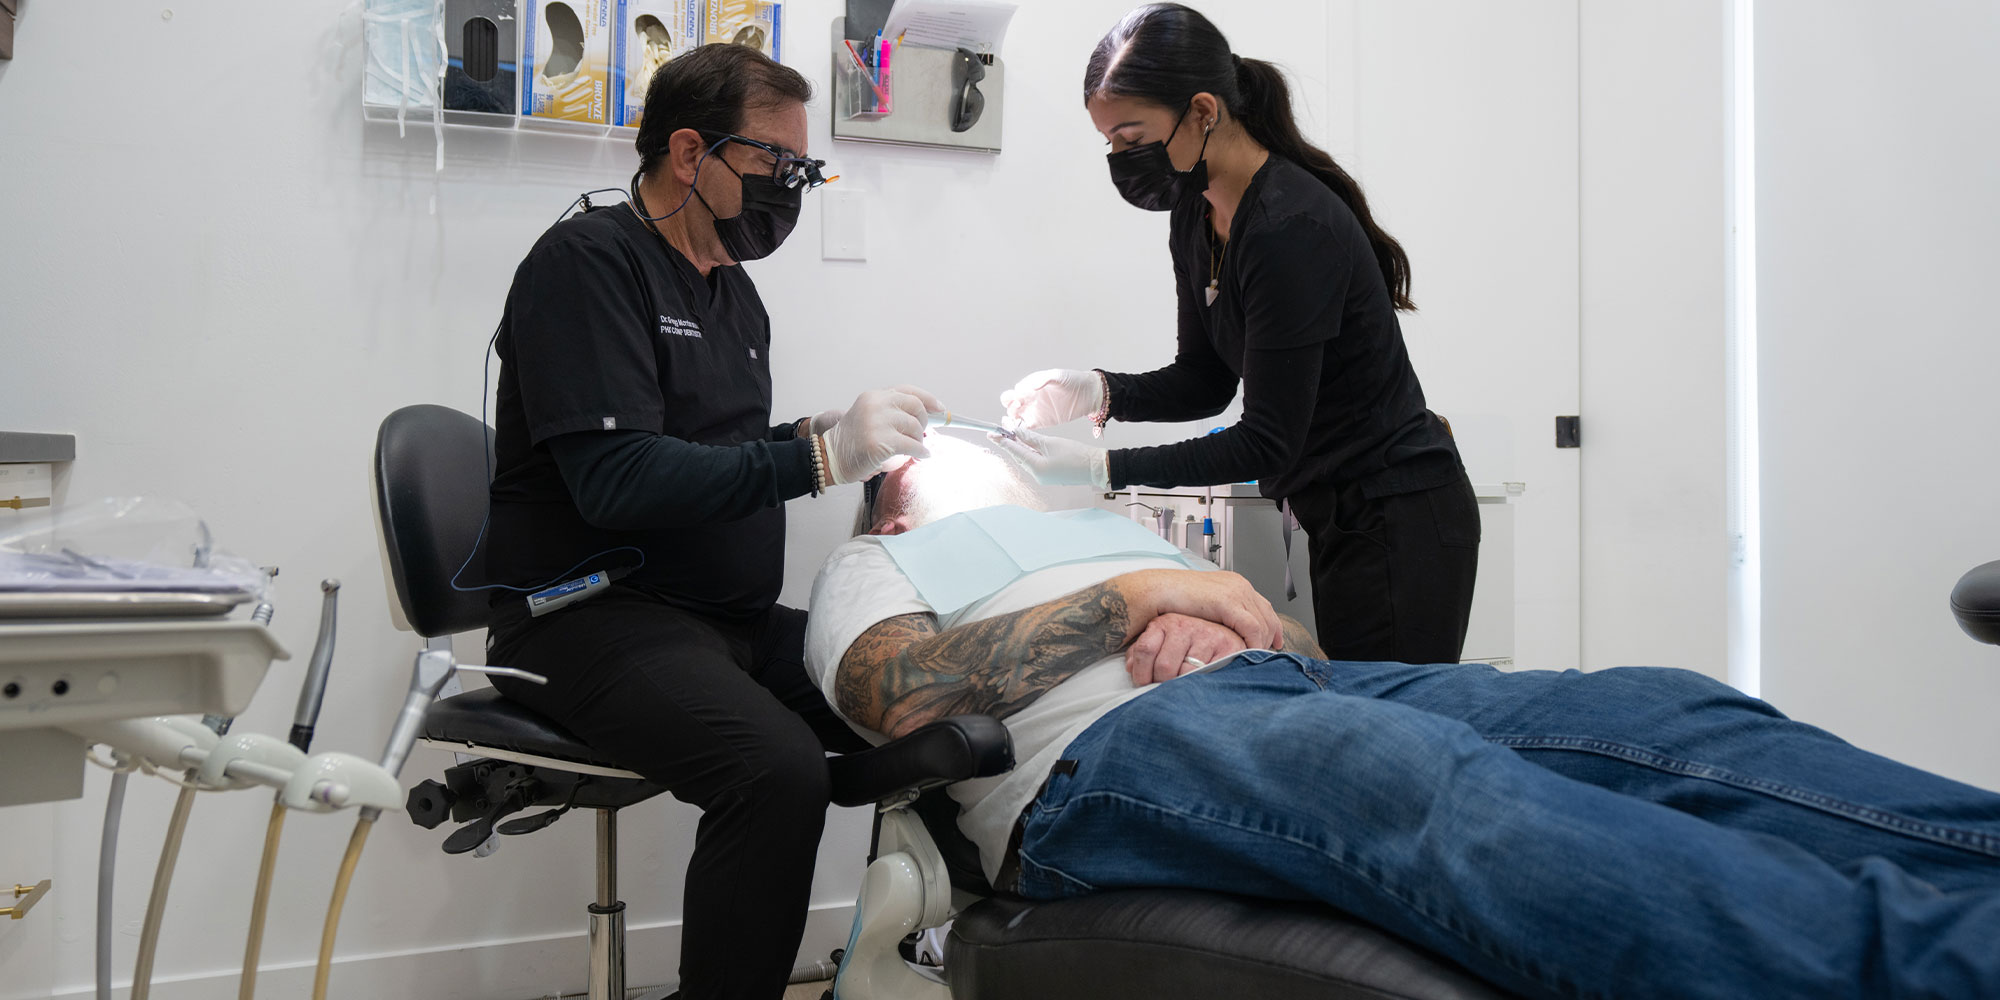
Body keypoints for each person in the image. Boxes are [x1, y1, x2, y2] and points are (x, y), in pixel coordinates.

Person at [804, 449, 2000, 1000]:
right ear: (900, 500)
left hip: (1281, 691)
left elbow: (1315, 660)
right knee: (1422, 784)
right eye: (957, 451)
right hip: (1090, 766)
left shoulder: (1110, 527)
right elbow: (893, 695)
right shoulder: (884, 558)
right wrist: (1141, 598)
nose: (995, 457)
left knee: (1645, 708)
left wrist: (1244, 626)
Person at [478, 44, 944, 1000]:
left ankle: (926, 961)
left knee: (930, 703)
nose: (792, 189)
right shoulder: (588, 265)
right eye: (777, 166)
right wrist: (817, 458)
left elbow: (709, 445)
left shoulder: (733, 292)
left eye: (805, 171)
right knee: (774, 771)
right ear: (691, 153)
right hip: (584, 617)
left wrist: (822, 435)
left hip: (720, 621)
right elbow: (615, 479)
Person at [995, 3, 1478, 665]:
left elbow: (1265, 440)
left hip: (1400, 514)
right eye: (1109, 141)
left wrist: (1103, 468)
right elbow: (1205, 380)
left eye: (1132, 138)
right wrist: (1098, 392)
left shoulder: (1287, 227)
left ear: (1202, 111)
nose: (1119, 158)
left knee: (1387, 735)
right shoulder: (1195, 217)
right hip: (1333, 511)